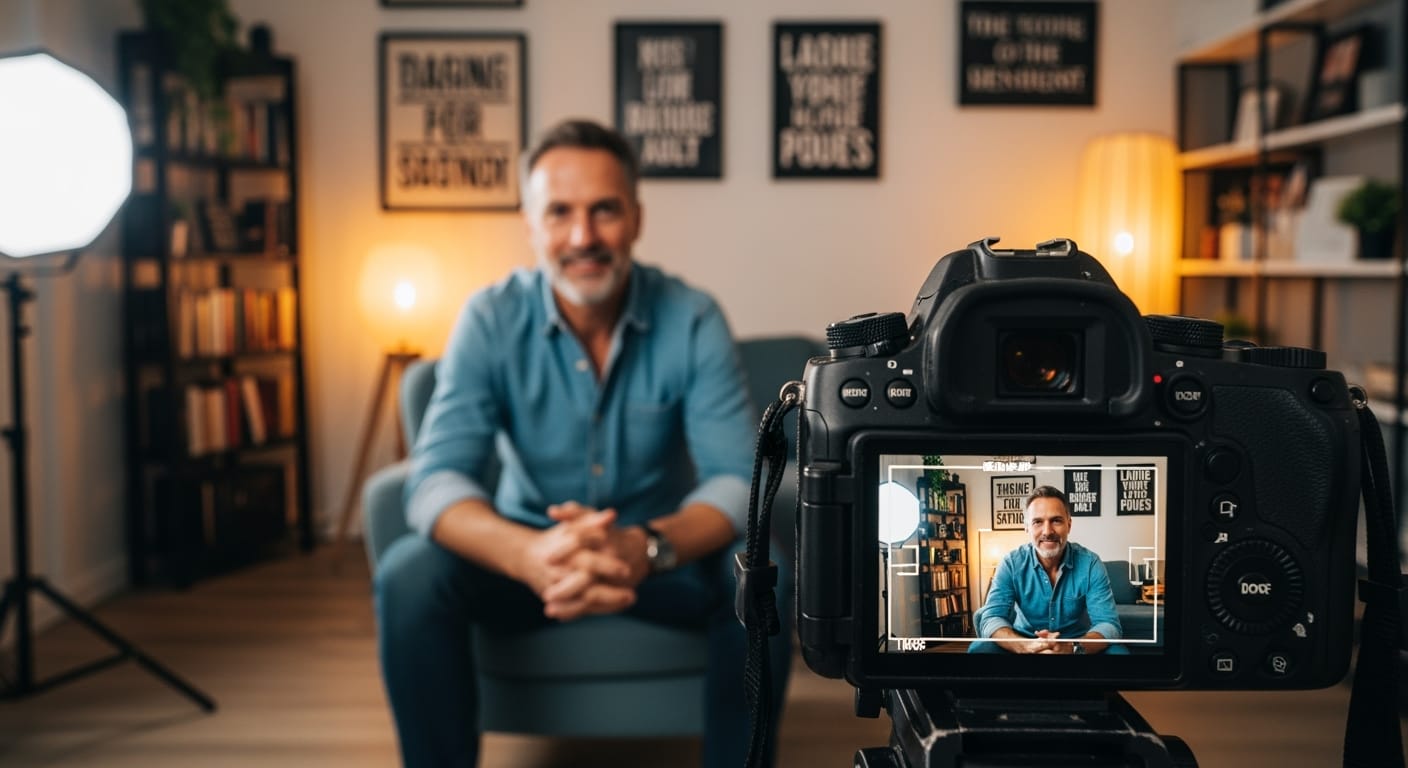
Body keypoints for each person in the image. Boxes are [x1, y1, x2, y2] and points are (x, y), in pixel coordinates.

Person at [372, 118, 789, 767]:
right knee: (408, 576)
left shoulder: (692, 317)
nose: (582, 236)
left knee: (767, 576)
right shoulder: (489, 318)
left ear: (636, 218)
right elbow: (435, 482)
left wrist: (644, 547)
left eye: (604, 210)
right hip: (525, 558)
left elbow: (737, 479)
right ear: (530, 224)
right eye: (559, 212)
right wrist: (528, 554)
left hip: (660, 557)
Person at [970, 485, 1124, 655]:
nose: (1047, 531)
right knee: (979, 649)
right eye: (1037, 522)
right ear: (1027, 527)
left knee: (1118, 654)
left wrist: (1072, 647)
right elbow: (991, 618)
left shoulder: (1091, 564)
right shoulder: (1011, 563)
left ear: (1069, 525)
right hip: (1023, 641)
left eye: (1056, 520)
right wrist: (1024, 646)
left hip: (1076, 645)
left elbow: (1108, 625)